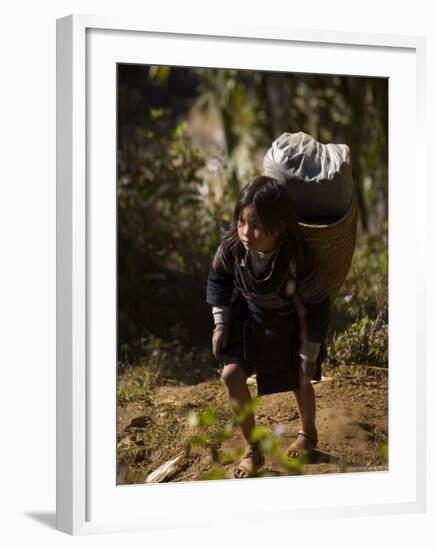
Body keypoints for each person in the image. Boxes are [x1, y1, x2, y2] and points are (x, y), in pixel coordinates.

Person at [206, 175, 330, 478]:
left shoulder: (297, 258)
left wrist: (309, 351)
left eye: (257, 225)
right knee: (231, 375)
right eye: (242, 222)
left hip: (288, 321)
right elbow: (218, 279)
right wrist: (220, 324)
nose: (247, 233)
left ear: (280, 226)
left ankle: (308, 435)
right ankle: (252, 448)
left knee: (300, 376)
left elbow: (318, 304)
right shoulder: (232, 247)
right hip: (247, 318)